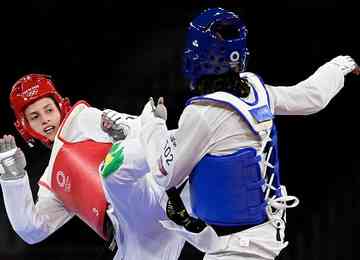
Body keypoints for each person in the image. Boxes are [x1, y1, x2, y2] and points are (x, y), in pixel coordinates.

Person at [140, 7, 360, 260]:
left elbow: (164, 175)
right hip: (257, 237)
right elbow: (311, 98)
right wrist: (338, 66)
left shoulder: (202, 113)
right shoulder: (257, 91)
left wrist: (153, 124)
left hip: (239, 249)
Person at [0, 74, 186, 260]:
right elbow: (32, 231)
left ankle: (184, 140)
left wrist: (122, 131)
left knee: (115, 167)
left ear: (59, 106)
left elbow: (137, 126)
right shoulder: (51, 181)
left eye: (49, 110)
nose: (45, 120)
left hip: (154, 197)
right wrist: (13, 180)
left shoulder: (80, 119)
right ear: (25, 126)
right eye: (35, 116)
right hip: (134, 241)